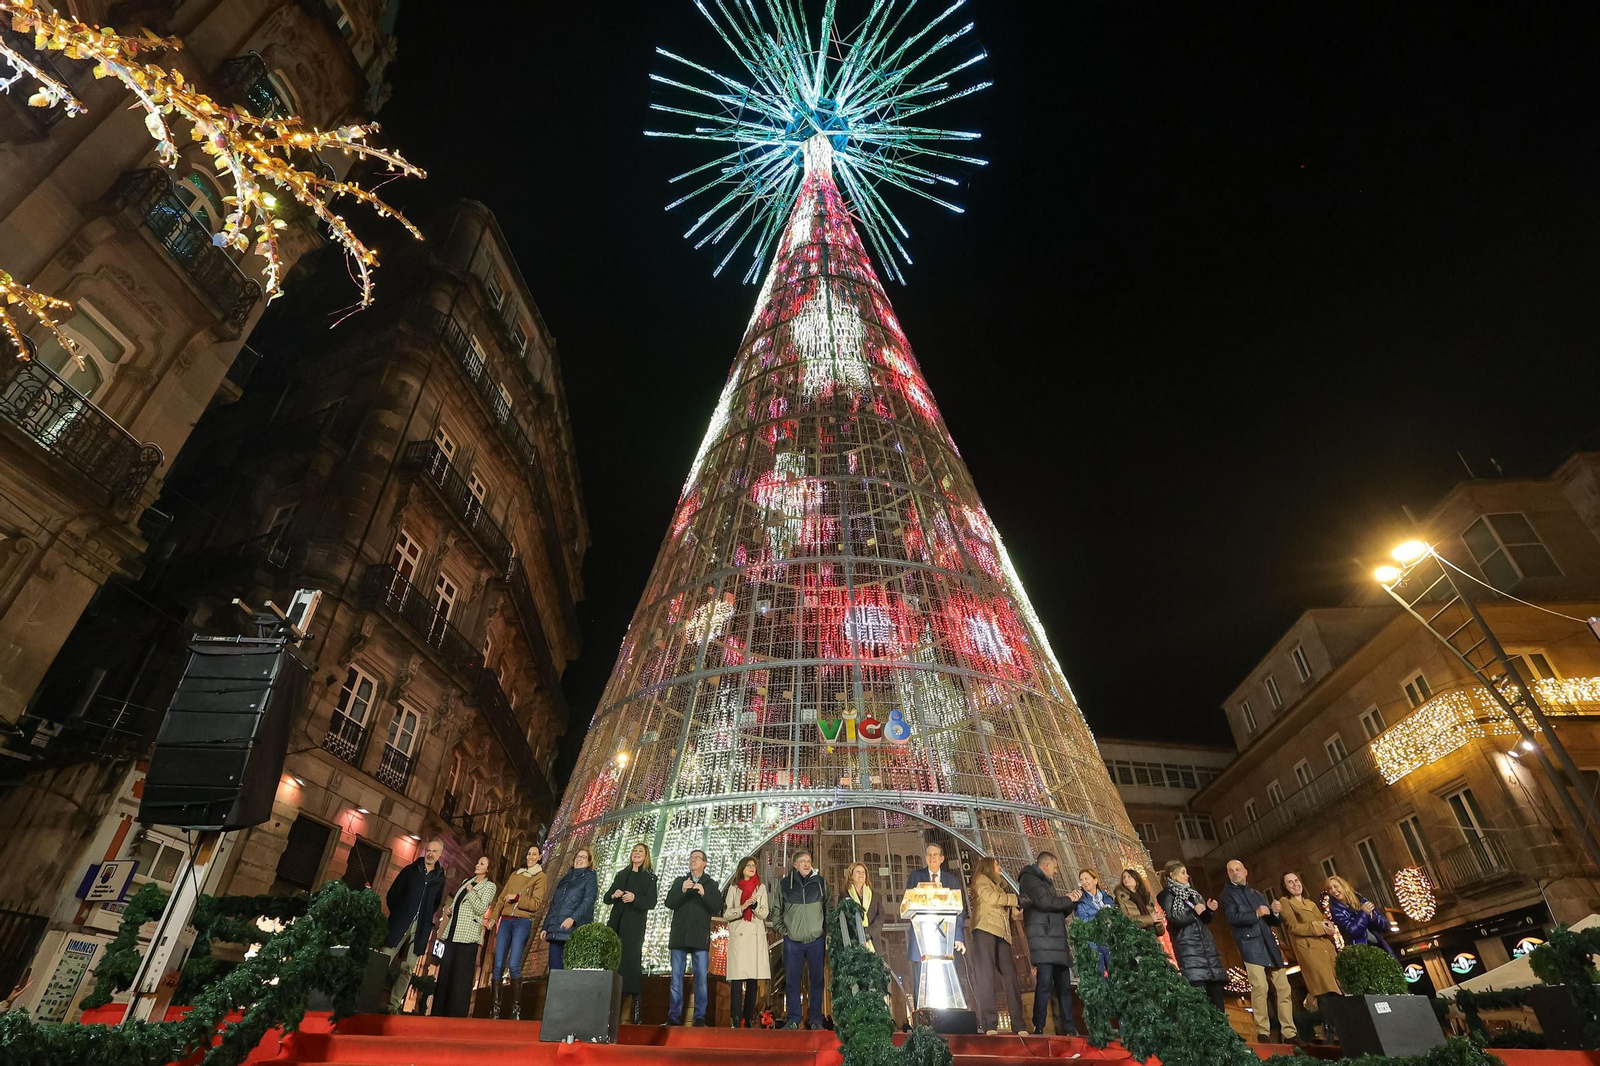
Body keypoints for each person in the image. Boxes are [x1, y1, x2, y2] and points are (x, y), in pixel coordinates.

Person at [1221, 859, 1299, 1045]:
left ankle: (1290, 1033)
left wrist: (1276, 913)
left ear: (1245, 871)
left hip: (1269, 945)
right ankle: (1263, 1032)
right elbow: (1232, 917)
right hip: (1251, 947)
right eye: (1231, 871)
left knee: (1284, 988)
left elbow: (1272, 921)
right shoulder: (1227, 895)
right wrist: (1255, 913)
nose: (1235, 873)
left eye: (1238, 869)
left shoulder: (1256, 893)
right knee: (1260, 988)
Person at [1017, 852, 1081, 1036]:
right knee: (1044, 984)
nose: (1056, 872)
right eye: (1055, 868)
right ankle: (1039, 1026)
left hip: (1056, 941)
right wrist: (1067, 899)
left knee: (1064, 987)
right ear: (1045, 865)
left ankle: (1070, 1027)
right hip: (1043, 941)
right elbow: (1044, 903)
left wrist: (1072, 902)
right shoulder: (1029, 879)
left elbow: (1055, 910)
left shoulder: (1046, 883)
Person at [380, 837, 446, 1013]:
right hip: (400, 922)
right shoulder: (410, 870)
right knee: (383, 960)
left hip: (421, 927)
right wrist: (400, 913)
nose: (430, 854)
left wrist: (424, 919)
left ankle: (393, 1005)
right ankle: (369, 996)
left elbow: (436, 903)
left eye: (434, 852)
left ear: (440, 854)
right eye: (429, 850)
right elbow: (393, 894)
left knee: (407, 968)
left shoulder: (440, 878)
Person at [487, 843, 550, 1019]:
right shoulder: (515, 874)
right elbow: (500, 899)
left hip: (522, 922)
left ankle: (515, 1009)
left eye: (534, 854)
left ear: (539, 857)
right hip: (505, 922)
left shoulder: (540, 877)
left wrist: (517, 898)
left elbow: (536, 903)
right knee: (497, 965)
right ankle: (495, 1009)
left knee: (514, 964)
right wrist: (493, 917)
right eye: (528, 853)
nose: (530, 856)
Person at [969, 856, 1028, 1036]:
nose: (1000, 867)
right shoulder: (981, 880)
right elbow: (992, 898)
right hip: (985, 929)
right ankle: (990, 1024)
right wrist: (1014, 899)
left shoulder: (1000, 886)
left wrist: (1019, 906)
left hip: (1002, 933)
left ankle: (1019, 1025)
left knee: (1010, 975)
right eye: (997, 865)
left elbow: (1007, 911)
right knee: (986, 975)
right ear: (988, 867)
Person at [431, 855, 497, 1017]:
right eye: (478, 861)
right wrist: (450, 909)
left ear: (488, 869)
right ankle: (438, 1012)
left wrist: (472, 892)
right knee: (445, 973)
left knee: (461, 977)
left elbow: (481, 909)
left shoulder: (489, 886)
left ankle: (455, 1015)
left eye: (482, 863)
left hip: (468, 936)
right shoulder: (467, 881)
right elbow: (457, 902)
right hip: (453, 932)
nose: (477, 864)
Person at [1156, 860, 1226, 1010]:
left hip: (1206, 949)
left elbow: (1205, 919)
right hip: (1189, 950)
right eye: (1183, 872)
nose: (1187, 876)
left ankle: (1223, 1030)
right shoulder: (1168, 895)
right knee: (1201, 999)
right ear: (1172, 875)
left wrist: (1209, 910)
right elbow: (1174, 919)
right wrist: (1194, 912)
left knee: (1216, 995)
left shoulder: (1193, 894)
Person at [665, 849, 722, 1027]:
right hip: (679, 935)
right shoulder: (680, 881)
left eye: (697, 858)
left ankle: (699, 1017)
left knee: (701, 979)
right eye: (691, 858)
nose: (693, 860)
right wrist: (682, 890)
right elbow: (669, 903)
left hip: (699, 936)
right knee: (676, 979)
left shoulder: (711, 884)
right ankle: (674, 1017)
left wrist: (704, 893)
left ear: (704, 863)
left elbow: (717, 906)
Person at [904, 842, 965, 1009]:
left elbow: (959, 911)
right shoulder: (916, 877)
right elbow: (908, 903)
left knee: (945, 984)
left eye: (935, 855)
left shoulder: (952, 881)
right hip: (922, 940)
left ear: (942, 858)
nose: (932, 858)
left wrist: (958, 938)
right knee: (922, 984)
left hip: (945, 941)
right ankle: (922, 1025)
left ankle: (947, 1022)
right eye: (929, 855)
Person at [771, 849, 827, 1029]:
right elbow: (776, 910)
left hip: (816, 940)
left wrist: (825, 930)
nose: (806, 863)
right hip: (792, 940)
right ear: (795, 865)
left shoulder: (820, 883)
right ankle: (794, 1019)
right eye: (802, 860)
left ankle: (816, 1020)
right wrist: (783, 930)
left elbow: (829, 907)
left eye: (809, 860)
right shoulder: (785, 884)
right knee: (793, 980)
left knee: (817, 980)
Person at [606, 842, 658, 1024]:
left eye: (640, 852)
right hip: (616, 923)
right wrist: (614, 895)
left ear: (646, 856)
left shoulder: (650, 877)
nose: (636, 853)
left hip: (634, 926)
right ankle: (611, 1007)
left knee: (632, 961)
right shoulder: (622, 874)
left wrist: (635, 898)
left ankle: (636, 1006)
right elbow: (607, 897)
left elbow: (651, 902)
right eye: (634, 851)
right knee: (614, 961)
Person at [1278, 872, 1340, 1020]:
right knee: (1323, 989)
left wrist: (1329, 929)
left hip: (1326, 949)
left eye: (1296, 880)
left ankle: (1339, 1025)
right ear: (1285, 887)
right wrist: (1318, 926)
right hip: (1310, 951)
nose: (1295, 884)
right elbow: (1293, 927)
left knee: (1336, 989)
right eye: (1290, 882)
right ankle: (1329, 1028)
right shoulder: (1286, 902)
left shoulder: (1310, 903)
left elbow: (1323, 923)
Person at [723, 855, 771, 1029]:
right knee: (737, 978)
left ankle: (749, 1017)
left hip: (755, 936)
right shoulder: (734, 888)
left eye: (754, 865)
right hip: (739, 935)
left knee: (753, 979)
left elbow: (765, 913)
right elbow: (727, 914)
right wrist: (742, 908)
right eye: (749, 865)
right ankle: (735, 1017)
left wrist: (755, 906)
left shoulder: (761, 888)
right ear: (742, 868)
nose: (752, 868)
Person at [540, 847, 597, 971]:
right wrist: (545, 927)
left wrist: (573, 918)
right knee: (554, 970)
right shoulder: (564, 880)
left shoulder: (590, 877)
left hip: (574, 931)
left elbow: (588, 901)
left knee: (569, 971)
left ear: (589, 862)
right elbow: (554, 904)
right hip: (557, 930)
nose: (579, 859)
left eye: (583, 857)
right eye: (578, 856)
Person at [1326, 875, 1397, 956]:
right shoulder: (1336, 910)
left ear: (1343, 886)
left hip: (1380, 947)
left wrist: (1372, 917)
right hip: (1362, 952)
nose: (1333, 890)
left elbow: (1386, 926)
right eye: (1330, 889)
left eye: (1335, 886)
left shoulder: (1360, 899)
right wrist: (1364, 913)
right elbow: (1352, 931)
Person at [1073, 868, 1115, 975]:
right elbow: (1084, 921)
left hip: (1111, 941)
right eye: (1081, 880)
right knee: (1098, 976)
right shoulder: (1081, 902)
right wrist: (1101, 919)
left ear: (1095, 880)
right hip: (1094, 943)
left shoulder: (1107, 898)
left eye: (1086, 878)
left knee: (1116, 974)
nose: (1084, 882)